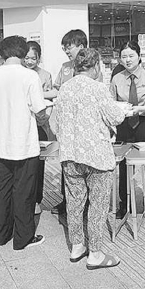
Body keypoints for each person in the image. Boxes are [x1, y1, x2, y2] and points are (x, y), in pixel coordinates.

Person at [50, 48, 125, 269]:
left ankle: (77, 246)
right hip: (96, 156)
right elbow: (116, 117)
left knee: (74, 203)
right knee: (97, 205)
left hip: (70, 155)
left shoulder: (64, 89)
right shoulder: (98, 88)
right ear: (96, 66)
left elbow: (55, 123)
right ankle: (95, 252)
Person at [0, 36, 49, 250]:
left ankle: (0, 235)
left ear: (3, 53)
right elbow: (39, 109)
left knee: (1, 189)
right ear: (22, 52)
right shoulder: (29, 76)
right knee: (24, 191)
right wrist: (45, 116)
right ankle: (23, 238)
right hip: (25, 144)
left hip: (2, 143)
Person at [50, 29, 102, 215]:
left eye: (69, 47)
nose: (66, 51)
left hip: (87, 124)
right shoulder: (65, 67)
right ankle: (67, 201)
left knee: (87, 166)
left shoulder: (94, 66)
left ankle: (87, 204)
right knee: (68, 163)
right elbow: (57, 89)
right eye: (64, 48)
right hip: (68, 124)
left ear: (81, 46)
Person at [110, 41, 145, 220]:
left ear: (139, 57)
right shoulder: (116, 79)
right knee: (124, 165)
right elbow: (111, 103)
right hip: (124, 125)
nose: (128, 60)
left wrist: (140, 109)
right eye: (124, 56)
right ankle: (124, 205)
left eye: (131, 56)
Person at [23, 41, 54, 215]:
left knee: (38, 164)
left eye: (33, 58)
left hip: (40, 122)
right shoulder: (19, 73)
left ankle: (37, 199)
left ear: (39, 58)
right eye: (26, 58)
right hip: (23, 123)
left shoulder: (45, 75)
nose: (29, 61)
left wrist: (37, 96)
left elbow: (50, 96)